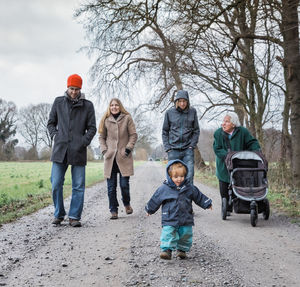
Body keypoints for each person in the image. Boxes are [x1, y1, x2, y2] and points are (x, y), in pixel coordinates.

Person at [47, 74, 96, 227]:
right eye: (71, 89)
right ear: (67, 88)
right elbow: (51, 123)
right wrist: (56, 136)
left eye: (77, 89)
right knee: (56, 183)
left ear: (80, 89)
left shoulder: (88, 105)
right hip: (60, 150)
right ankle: (59, 214)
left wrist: (83, 141)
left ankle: (74, 216)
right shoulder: (58, 102)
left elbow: (92, 128)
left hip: (78, 150)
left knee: (78, 186)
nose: (74, 92)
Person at [145, 160, 212, 260]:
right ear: (170, 176)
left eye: (182, 176)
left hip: (186, 217)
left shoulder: (189, 188)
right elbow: (156, 199)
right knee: (168, 233)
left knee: (185, 234)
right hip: (169, 217)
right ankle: (166, 250)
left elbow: (199, 196)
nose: (179, 179)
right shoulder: (164, 188)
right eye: (176, 177)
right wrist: (150, 209)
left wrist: (207, 203)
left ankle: (182, 250)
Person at [213, 112, 260, 214]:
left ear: (233, 124)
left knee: (237, 183)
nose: (223, 124)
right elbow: (217, 148)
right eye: (223, 121)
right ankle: (227, 207)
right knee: (224, 186)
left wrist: (257, 152)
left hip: (239, 164)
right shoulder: (218, 133)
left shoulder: (243, 132)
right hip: (223, 165)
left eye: (226, 121)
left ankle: (239, 204)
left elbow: (252, 143)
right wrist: (227, 156)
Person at [98, 98, 137, 220]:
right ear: (109, 107)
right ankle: (113, 210)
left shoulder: (127, 118)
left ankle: (126, 204)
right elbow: (101, 137)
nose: (114, 107)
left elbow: (133, 135)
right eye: (112, 105)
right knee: (111, 187)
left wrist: (128, 148)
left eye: (116, 105)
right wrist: (104, 150)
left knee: (124, 185)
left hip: (123, 156)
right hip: (110, 158)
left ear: (120, 106)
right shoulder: (105, 119)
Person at [162, 90, 200, 184]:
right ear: (176, 102)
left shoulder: (192, 112)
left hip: (188, 150)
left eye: (184, 101)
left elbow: (196, 130)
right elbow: (164, 131)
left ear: (187, 101)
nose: (182, 103)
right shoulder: (169, 112)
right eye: (180, 101)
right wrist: (168, 148)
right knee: (173, 178)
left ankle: (187, 198)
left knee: (189, 177)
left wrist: (192, 146)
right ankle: (173, 198)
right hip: (173, 150)